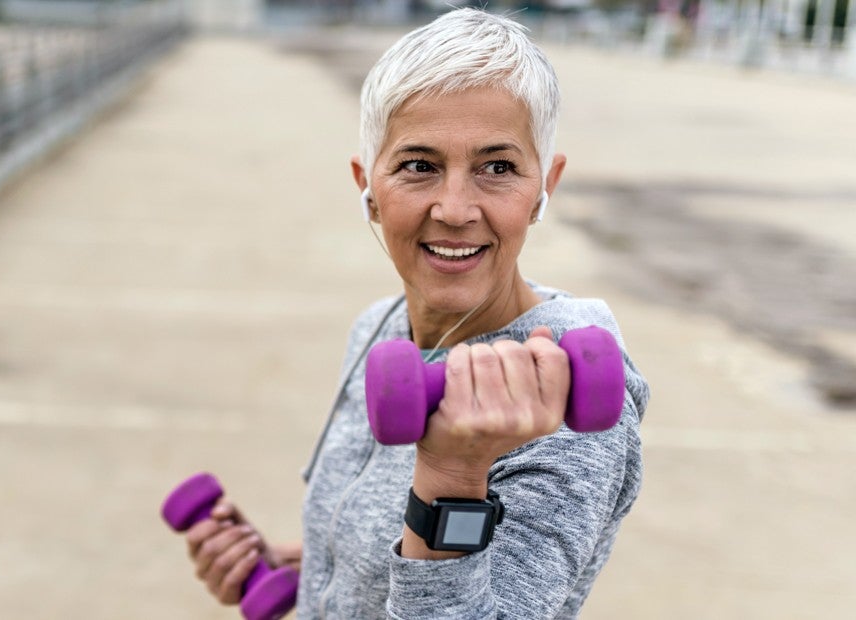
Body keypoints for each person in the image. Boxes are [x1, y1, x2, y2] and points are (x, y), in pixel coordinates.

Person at [183, 8, 649, 619]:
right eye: (419, 165)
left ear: (545, 189)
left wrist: (453, 475)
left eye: (498, 167)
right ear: (368, 189)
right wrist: (308, 571)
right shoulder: (379, 327)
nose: (455, 209)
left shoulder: (561, 409)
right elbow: (383, 552)